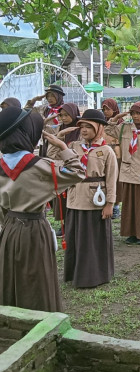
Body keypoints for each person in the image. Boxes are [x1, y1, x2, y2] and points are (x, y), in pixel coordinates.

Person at [0, 106, 85, 312]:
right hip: (34, 229)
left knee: (10, 277)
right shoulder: (40, 167)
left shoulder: (1, 165)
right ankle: (40, 325)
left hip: (9, 229)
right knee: (37, 279)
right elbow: (77, 172)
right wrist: (61, 146)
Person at [59, 109, 118, 289]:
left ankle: (94, 276)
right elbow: (55, 159)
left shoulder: (106, 151)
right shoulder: (74, 147)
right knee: (75, 238)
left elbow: (111, 179)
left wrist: (110, 204)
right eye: (82, 126)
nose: (84, 130)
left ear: (99, 128)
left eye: (89, 126)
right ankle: (74, 274)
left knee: (92, 241)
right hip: (75, 198)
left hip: (95, 200)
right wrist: (59, 138)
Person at [105, 101, 140, 245]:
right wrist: (115, 119)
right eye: (133, 113)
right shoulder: (124, 128)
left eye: (139, 113)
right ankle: (130, 233)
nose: (135, 116)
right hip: (128, 172)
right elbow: (107, 130)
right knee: (129, 205)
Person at [46, 103, 81, 235]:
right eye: (61, 115)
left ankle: (76, 225)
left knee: (76, 198)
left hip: (77, 168)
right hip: (62, 169)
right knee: (63, 200)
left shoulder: (81, 129)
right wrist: (60, 136)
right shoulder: (59, 129)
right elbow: (51, 154)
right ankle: (66, 224)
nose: (64, 118)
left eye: (67, 115)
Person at [102, 98, 124, 219]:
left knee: (116, 180)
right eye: (104, 109)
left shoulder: (121, 123)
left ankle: (116, 205)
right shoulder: (102, 122)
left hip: (117, 154)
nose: (105, 111)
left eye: (108, 109)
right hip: (105, 154)